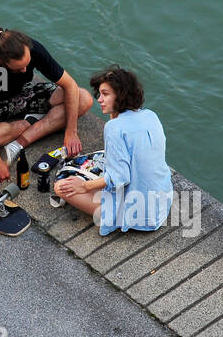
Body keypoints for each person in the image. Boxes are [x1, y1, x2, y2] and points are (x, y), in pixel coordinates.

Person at [0, 27, 93, 184]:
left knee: (84, 98)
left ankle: (21, 141)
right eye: (19, 68)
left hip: (22, 95)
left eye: (27, 64)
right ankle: (29, 121)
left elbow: (70, 85)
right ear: (2, 60)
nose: (25, 70)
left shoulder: (33, 48)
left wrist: (71, 131)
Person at [54, 65, 172, 234]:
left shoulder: (114, 128)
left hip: (140, 214)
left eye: (106, 94)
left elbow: (120, 178)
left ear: (121, 95)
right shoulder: (150, 115)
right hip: (162, 202)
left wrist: (85, 187)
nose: (100, 100)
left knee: (61, 187)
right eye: (100, 94)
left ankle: (116, 217)